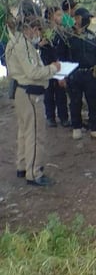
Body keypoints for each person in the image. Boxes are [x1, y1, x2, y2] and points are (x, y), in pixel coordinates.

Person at [5, 17, 61, 186]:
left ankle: (23, 165)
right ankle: (34, 173)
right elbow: (32, 72)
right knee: (35, 134)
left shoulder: (15, 42)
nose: (39, 34)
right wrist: (53, 69)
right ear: (32, 29)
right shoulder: (22, 45)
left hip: (22, 91)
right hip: (30, 93)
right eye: (38, 31)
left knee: (24, 131)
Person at [66, 7, 96, 142]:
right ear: (77, 19)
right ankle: (76, 126)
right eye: (85, 18)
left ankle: (95, 128)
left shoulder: (91, 35)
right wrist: (63, 76)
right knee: (75, 102)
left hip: (90, 75)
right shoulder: (68, 35)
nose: (87, 20)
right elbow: (62, 57)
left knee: (93, 102)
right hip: (74, 74)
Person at [39, 7, 70, 127]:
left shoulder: (61, 32)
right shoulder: (47, 33)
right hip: (49, 66)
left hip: (60, 66)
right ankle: (50, 117)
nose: (61, 17)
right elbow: (46, 51)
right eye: (58, 15)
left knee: (61, 93)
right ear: (51, 17)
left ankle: (63, 117)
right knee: (49, 92)